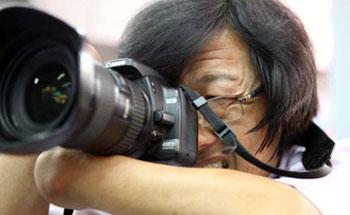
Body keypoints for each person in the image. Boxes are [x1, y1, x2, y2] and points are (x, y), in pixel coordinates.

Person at [0, 0, 335, 214]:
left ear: (285, 101)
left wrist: (69, 177)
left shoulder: (332, 181)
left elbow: (285, 210)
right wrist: (72, 100)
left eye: (216, 98)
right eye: (166, 106)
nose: (194, 138)